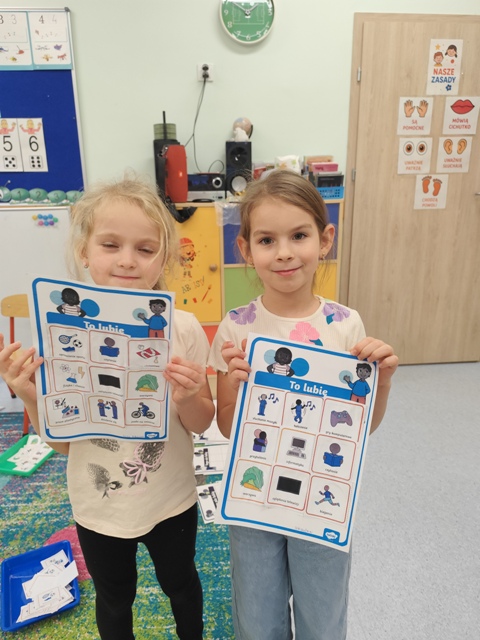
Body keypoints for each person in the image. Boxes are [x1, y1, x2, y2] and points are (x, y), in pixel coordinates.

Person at [0, 176, 215, 640]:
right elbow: (63, 445)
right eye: (111, 244)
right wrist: (32, 396)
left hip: (171, 498)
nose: (127, 260)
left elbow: (201, 422)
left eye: (145, 248)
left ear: (164, 257)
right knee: (115, 598)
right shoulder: (61, 335)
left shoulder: (184, 329)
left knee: (181, 584)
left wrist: (188, 396)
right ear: (84, 251)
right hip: (99, 506)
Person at [208, 169, 399, 640]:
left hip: (323, 498)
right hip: (254, 496)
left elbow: (361, 428)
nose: (284, 252)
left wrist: (383, 381)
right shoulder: (236, 326)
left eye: (299, 235)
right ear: (246, 249)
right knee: (257, 615)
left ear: (325, 239)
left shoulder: (345, 325)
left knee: (323, 613)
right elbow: (228, 426)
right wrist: (233, 386)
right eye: (266, 240)